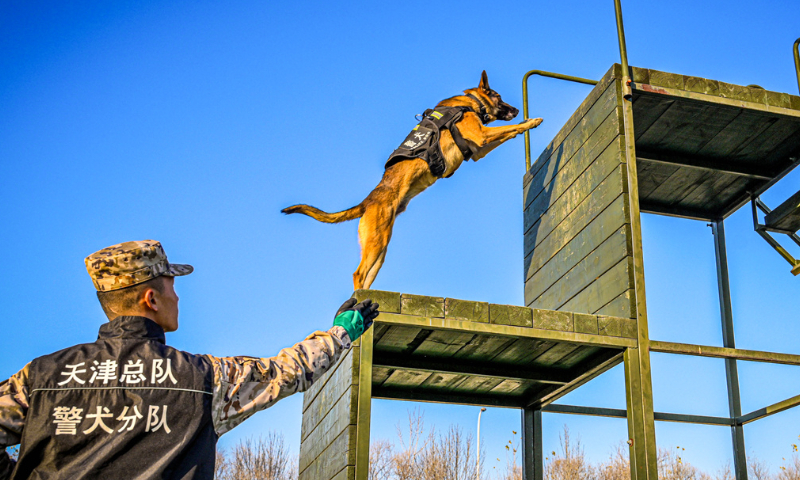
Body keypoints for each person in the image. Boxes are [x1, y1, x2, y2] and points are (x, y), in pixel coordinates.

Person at [0, 240, 379, 479]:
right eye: (172, 285)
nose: (177, 296)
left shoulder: (40, 377)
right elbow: (287, 372)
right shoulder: (203, 378)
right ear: (151, 298)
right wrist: (341, 332)